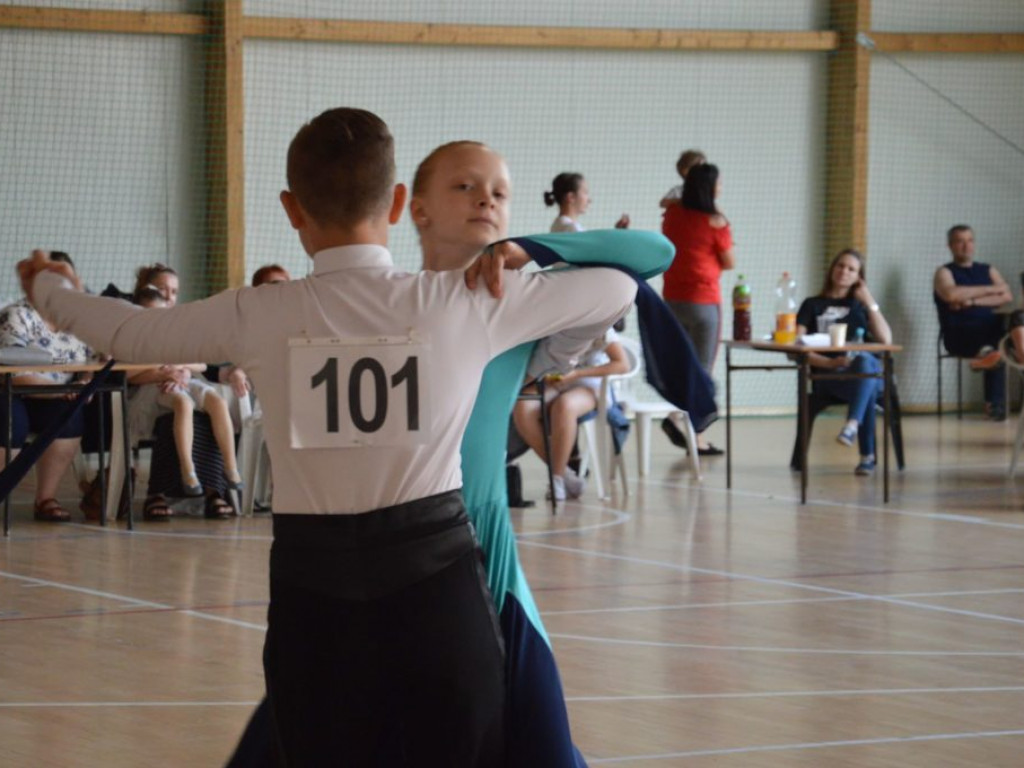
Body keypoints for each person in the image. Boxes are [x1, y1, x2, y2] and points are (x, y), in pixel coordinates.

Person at [23, 107, 645, 766]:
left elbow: (124, 333)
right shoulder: (463, 301)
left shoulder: (257, 311)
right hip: (438, 587)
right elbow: (619, 286)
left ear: (292, 209)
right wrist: (532, 252)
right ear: (400, 201)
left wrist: (46, 285)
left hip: (313, 594)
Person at [225, 140, 675, 768]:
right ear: (416, 209)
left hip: (485, 562)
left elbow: (653, 255)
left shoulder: (519, 307)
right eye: (465, 186)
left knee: (541, 747)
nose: (487, 197)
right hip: (364, 566)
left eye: (499, 190)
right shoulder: (383, 301)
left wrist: (535, 250)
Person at [0, 250, 92, 522]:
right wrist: (61, 391)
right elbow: (11, 371)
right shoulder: (17, 315)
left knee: (70, 418)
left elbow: (96, 359)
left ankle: (46, 499)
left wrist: (86, 382)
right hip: (12, 391)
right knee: (10, 422)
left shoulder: (79, 322)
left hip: (56, 396)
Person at [128, 286, 242, 500]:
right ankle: (188, 470)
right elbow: (129, 375)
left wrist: (180, 369)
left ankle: (231, 468)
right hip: (154, 388)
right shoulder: (134, 341)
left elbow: (201, 364)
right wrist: (162, 373)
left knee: (217, 401)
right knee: (184, 403)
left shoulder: (175, 335)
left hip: (183, 380)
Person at [796, 248, 893, 476]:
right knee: (865, 381)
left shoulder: (860, 306)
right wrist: (829, 363)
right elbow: (797, 348)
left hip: (864, 373)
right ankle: (865, 455)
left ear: (859, 277)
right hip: (830, 375)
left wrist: (869, 301)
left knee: (865, 365)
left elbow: (886, 339)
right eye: (840, 266)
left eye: (851, 269)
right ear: (832, 269)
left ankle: (851, 426)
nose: (844, 272)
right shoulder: (812, 305)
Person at [660, 162, 734, 455]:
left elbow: (667, 207)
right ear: (710, 189)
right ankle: (679, 419)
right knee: (703, 370)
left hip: (673, 300)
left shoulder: (673, 214)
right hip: (704, 302)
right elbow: (729, 262)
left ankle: (695, 437)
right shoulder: (716, 222)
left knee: (684, 365)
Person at [513, 329, 628, 501]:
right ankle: (565, 474)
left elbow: (622, 364)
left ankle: (557, 480)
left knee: (565, 406)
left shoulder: (600, 323)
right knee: (523, 406)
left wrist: (578, 374)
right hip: (557, 381)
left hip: (592, 385)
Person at [933, 224, 1013, 420]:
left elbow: (1006, 296)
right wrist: (991, 289)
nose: (966, 246)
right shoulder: (944, 272)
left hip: (991, 329)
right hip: (959, 334)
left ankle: (987, 358)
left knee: (1005, 339)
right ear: (950, 245)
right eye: (960, 241)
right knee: (995, 347)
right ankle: (994, 403)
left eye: (969, 240)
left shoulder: (988, 269)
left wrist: (972, 301)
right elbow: (951, 294)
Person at [544, 172, 629, 233]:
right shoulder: (571, 228)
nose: (589, 200)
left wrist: (618, 233)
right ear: (571, 197)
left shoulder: (560, 225)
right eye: (585, 192)